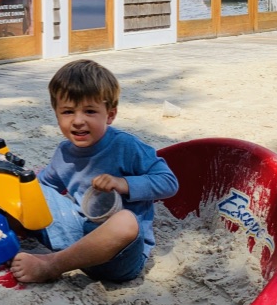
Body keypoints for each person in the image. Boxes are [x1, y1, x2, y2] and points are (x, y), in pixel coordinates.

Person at [11, 59, 178, 284]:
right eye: (68, 112)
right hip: (78, 240)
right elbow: (44, 186)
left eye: (90, 111)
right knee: (21, 187)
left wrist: (123, 184)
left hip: (118, 254)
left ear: (110, 115)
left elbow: (168, 182)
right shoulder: (64, 153)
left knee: (125, 221)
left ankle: (51, 265)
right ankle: (3, 237)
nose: (78, 121)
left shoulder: (126, 146)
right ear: (57, 115)